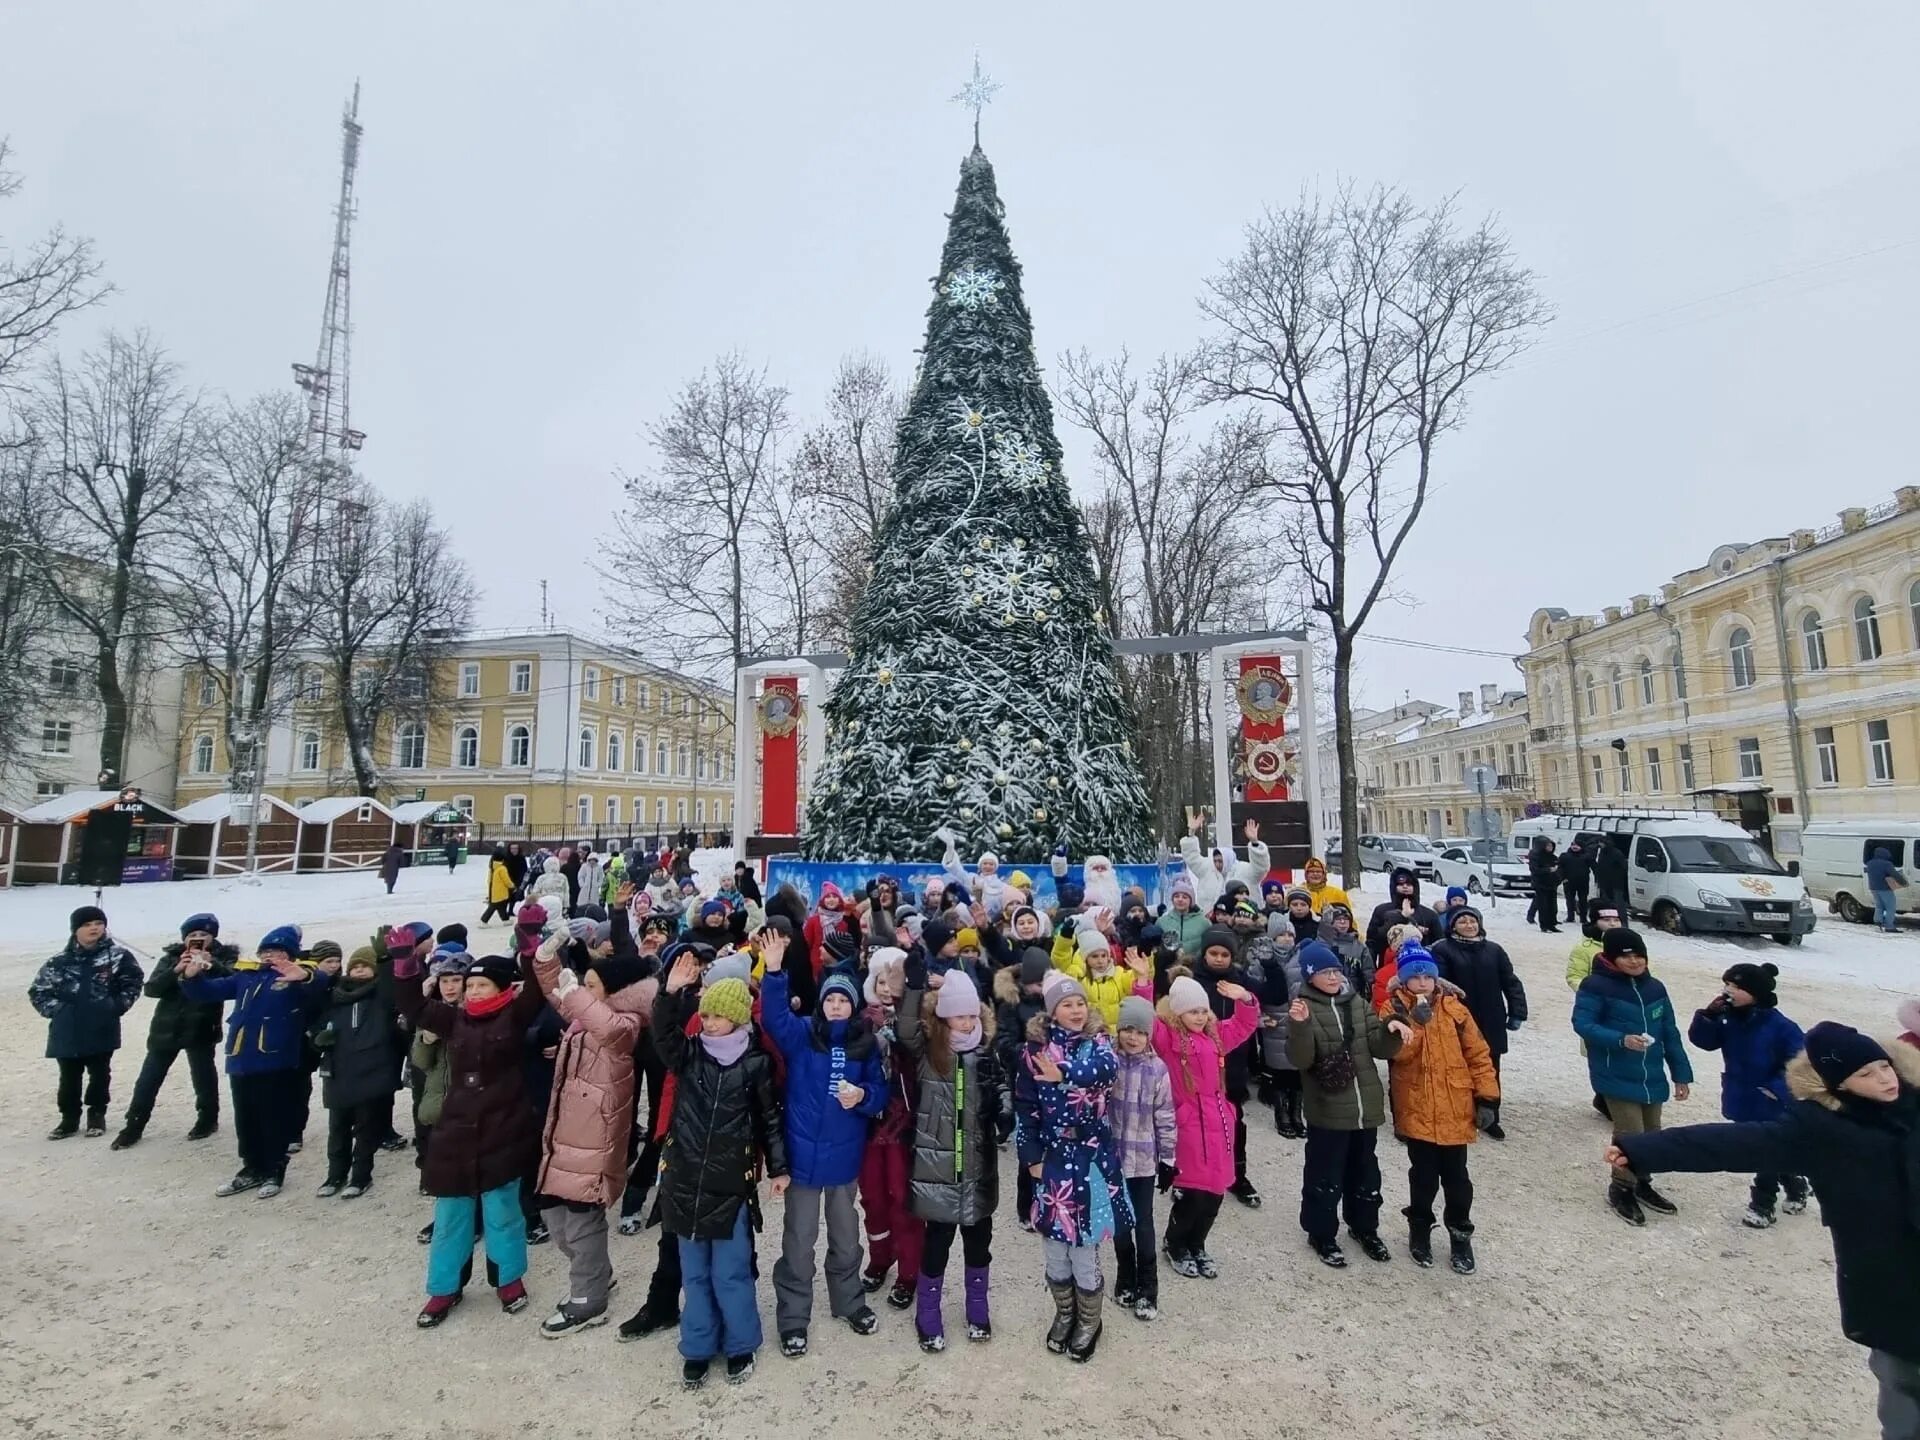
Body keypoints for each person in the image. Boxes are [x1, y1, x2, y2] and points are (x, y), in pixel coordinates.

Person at [1610, 1024, 1920, 1438]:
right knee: (1903, 1388)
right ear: (1836, 1085)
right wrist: (1641, 1150)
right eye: (1866, 1074)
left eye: (1885, 1067)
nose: (1884, 1079)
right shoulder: (1819, 1132)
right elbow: (1729, 1144)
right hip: (1889, 1280)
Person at [392, 947, 547, 1327]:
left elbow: (536, 992)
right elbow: (414, 1006)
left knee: (503, 1213)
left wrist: (529, 948)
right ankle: (444, 1288)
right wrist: (404, 966)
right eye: (470, 985)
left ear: (501, 988)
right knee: (451, 1215)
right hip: (456, 1131)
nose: (474, 991)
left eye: (482, 985)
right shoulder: (455, 1020)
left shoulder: (513, 1016)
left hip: (503, 1128)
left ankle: (508, 1280)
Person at [650, 956, 786, 1388]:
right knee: (695, 1273)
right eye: (705, 1014)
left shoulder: (756, 1064)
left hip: (730, 1186)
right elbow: (664, 1034)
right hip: (686, 1181)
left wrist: (779, 1168)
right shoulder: (689, 1056)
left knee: (730, 1271)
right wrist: (670, 993)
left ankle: (740, 1343)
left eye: (719, 1016)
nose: (709, 1023)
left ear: (739, 1017)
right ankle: (697, 1347)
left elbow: (770, 1121)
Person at [760, 933, 886, 1358]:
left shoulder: (863, 1045)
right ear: (822, 1003)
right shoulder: (802, 1037)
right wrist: (774, 971)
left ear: (853, 1007)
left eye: (843, 1001)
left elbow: (879, 1093)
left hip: (844, 1160)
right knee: (798, 1241)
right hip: (802, 1162)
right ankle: (794, 1318)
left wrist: (863, 1098)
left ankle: (849, 1301)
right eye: (830, 1000)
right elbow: (774, 1018)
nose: (836, 1006)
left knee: (847, 1238)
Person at [529, 930, 654, 1337]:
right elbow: (557, 994)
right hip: (565, 1133)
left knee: (582, 1223)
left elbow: (611, 1028)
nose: (582, 990)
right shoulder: (585, 1018)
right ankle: (597, 1272)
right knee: (553, 1215)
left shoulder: (626, 1025)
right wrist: (547, 960)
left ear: (613, 991)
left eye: (591, 986)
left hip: (596, 1139)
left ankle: (589, 1300)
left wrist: (572, 991)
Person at [1014, 969, 1127, 1361]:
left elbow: (1107, 1070)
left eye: (1079, 1002)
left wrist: (1063, 1073)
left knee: (1085, 1247)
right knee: (1054, 1247)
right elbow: (1025, 1108)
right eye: (1067, 1004)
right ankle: (1065, 1313)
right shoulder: (1033, 1051)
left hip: (1093, 1157)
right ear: (1052, 1012)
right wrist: (1030, 1158)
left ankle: (1090, 1321)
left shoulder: (1099, 1043)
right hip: (1053, 1160)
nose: (1076, 1009)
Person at [1129, 951, 1259, 1282]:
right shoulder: (1170, 1038)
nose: (1200, 1017)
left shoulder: (1216, 1035)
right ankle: (1176, 1244)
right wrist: (1144, 982)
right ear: (1178, 1012)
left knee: (1215, 1192)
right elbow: (1147, 1022)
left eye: (1203, 1010)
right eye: (1192, 1011)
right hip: (1188, 1124)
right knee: (1193, 1193)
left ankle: (1198, 1244)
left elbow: (1245, 1024)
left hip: (1219, 1121)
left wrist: (1244, 998)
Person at [897, 961, 1002, 1354]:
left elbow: (1001, 1086)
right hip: (936, 1168)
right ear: (943, 1016)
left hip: (977, 1167)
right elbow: (905, 1028)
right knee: (936, 1244)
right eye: (959, 1014)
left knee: (979, 1242)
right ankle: (928, 1312)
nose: (967, 1021)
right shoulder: (927, 1050)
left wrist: (1004, 1111)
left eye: (972, 1014)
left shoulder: (985, 1050)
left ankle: (977, 1306)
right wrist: (912, 988)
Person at [181, 925, 329, 1198]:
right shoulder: (246, 977)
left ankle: (274, 1168)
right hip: (241, 1058)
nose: (270, 956)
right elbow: (207, 992)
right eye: (266, 951)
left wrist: (305, 976)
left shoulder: (297, 977)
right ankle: (251, 1167)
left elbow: (320, 983)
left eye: (278, 951)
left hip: (276, 1058)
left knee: (272, 1117)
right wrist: (192, 977)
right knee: (245, 1118)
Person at [1378, 944, 1499, 1273]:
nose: (1421, 982)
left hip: (1455, 1107)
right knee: (1423, 1177)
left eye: (1426, 976)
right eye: (1413, 976)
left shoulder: (1456, 1009)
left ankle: (1460, 1233)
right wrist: (1414, 1025)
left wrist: (1487, 1097)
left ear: (1435, 978)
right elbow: (1396, 1056)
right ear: (1403, 979)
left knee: (1458, 1179)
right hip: (1417, 1106)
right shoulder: (1392, 1008)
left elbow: (1478, 1055)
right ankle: (1419, 1229)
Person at [1288, 941, 1407, 1267]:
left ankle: (1364, 1227)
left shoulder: (1357, 1002)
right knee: (1325, 1175)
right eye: (1325, 972)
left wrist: (1392, 1027)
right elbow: (1300, 1058)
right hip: (1327, 1109)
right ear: (1310, 975)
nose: (1333, 977)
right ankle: (1321, 1233)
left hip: (1364, 1108)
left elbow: (1379, 1047)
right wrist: (1298, 1027)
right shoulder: (1303, 1007)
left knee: (1366, 1174)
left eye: (1336, 971)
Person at [1572, 927, 1693, 1226]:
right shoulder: (1596, 985)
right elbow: (1583, 1024)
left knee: (1652, 1133)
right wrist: (1620, 1039)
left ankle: (1642, 1182)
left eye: (1640, 955)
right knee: (1630, 1133)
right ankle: (1621, 1186)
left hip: (1651, 1074)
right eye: (1627, 956)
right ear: (1612, 958)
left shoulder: (1655, 988)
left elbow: (1670, 1033)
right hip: (1615, 1072)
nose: (1636, 962)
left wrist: (1681, 1074)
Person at [1686, 962, 1810, 1228]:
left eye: (1736, 987)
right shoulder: (1729, 1017)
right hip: (1741, 1094)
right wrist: (1707, 1016)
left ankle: (1763, 1204)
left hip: (1771, 1102)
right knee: (1769, 1149)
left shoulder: (1781, 1026)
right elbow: (1704, 1042)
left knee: (1763, 1150)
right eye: (1727, 984)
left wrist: (1776, 1090)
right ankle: (1795, 1181)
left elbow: (1800, 1063)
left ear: (1756, 993)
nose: (1728, 991)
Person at [113, 912, 230, 1149]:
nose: (198, 939)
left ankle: (207, 1119)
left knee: (203, 1076)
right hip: (166, 1028)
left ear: (213, 937)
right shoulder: (171, 958)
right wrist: (177, 969)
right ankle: (134, 1124)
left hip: (201, 1027)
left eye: (204, 934)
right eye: (193, 935)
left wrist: (211, 964)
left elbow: (232, 983)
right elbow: (152, 989)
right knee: (149, 1078)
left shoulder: (224, 957)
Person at [30, 906, 145, 1141]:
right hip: (67, 1028)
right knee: (69, 1076)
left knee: (100, 1073)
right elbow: (38, 991)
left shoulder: (118, 956)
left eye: (98, 923)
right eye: (87, 924)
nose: (94, 928)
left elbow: (133, 982)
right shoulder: (59, 961)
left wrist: (116, 1006)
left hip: (101, 1025)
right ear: (75, 930)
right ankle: (69, 1119)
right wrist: (58, 1011)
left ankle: (96, 1115)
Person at [857, 948, 922, 1309]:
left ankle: (909, 1270)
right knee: (873, 1198)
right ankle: (881, 1256)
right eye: (880, 981)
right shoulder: (860, 1019)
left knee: (903, 1198)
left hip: (903, 1124)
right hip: (868, 1125)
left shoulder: (915, 1020)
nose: (885, 989)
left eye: (892, 981)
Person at [1430, 907, 1526, 1139]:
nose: (1469, 925)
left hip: (1491, 1018)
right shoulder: (1443, 949)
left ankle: (1491, 1114)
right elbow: (1439, 984)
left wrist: (1517, 1011)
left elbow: (1511, 982)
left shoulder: (1494, 950)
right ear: (1452, 926)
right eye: (1462, 921)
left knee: (1490, 1067)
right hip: (1458, 1020)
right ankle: (1460, 1113)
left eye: (1472, 921)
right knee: (1457, 1067)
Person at [313, 946, 402, 1198]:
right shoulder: (335, 996)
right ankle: (334, 1175)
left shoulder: (381, 997)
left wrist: (385, 960)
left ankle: (360, 1177)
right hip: (339, 1071)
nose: (359, 969)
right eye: (355, 966)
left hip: (371, 1070)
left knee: (366, 1128)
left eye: (365, 965)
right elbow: (318, 1025)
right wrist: (319, 1038)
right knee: (338, 1128)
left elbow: (392, 988)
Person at [1108, 993, 1175, 1322]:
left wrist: (1168, 1159)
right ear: (1119, 1030)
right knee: (1119, 1222)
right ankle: (1126, 1275)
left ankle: (1149, 1285)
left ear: (1149, 1035)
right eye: (1127, 1029)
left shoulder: (1157, 1069)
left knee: (1143, 1222)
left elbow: (1165, 1116)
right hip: (1113, 1160)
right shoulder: (1108, 1062)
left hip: (1144, 1161)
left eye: (1140, 1031)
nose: (1133, 1037)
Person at [1567, 903, 1626, 1116]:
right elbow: (1574, 976)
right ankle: (1604, 1097)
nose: (1612, 923)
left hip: (1626, 1009)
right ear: (1595, 922)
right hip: (1599, 1011)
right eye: (1606, 920)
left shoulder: (1629, 944)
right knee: (1601, 1054)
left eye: (1616, 920)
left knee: (1624, 1053)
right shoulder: (1584, 949)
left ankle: (1616, 1098)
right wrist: (1593, 994)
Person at [1250, 925, 1305, 1139]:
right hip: (1274, 1022)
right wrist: (1258, 1019)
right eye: (1281, 934)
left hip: (1298, 1020)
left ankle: (1297, 1114)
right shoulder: (1260, 959)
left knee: (1298, 1070)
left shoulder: (1302, 957)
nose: (1287, 938)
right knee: (1279, 1072)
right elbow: (1252, 992)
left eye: (1290, 934)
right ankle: (1282, 1115)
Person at [1365, 869, 1440, 958]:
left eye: (1409, 884)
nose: (1405, 887)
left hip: (1421, 965)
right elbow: (1373, 942)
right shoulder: (1381, 911)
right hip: (1389, 965)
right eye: (1400, 884)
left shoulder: (1429, 914)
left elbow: (1439, 944)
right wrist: (1401, 916)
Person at [1867, 845, 1909, 934]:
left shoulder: (1870, 863)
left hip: (1873, 888)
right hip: (1885, 888)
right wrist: (1903, 882)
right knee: (1890, 907)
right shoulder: (1887, 864)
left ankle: (1878, 922)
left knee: (1879, 905)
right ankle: (1889, 926)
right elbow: (1895, 875)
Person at [1527, 837, 1561, 933]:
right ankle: (1544, 925)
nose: (1550, 847)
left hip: (1552, 884)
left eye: (1551, 845)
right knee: (1543, 906)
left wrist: (1558, 878)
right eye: (1548, 845)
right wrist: (1548, 870)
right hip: (1541, 884)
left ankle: (1552, 924)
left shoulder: (1553, 857)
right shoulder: (1536, 856)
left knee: (1553, 906)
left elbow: (1559, 869)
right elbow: (1535, 870)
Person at [1592, 836, 1628, 915]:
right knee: (1606, 904)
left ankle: (1623, 922)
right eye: (1599, 842)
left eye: (1601, 842)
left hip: (1616, 883)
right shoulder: (1601, 852)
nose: (1599, 844)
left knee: (1619, 904)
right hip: (1604, 883)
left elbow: (1624, 867)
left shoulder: (1616, 853)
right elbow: (1599, 867)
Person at [1559, 838, 1592, 925]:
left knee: (1583, 900)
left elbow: (1594, 867)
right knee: (1570, 900)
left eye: (1577, 845)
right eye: (1573, 845)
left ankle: (1583, 918)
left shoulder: (1587, 856)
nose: (1575, 847)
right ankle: (1570, 916)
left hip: (1583, 882)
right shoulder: (1565, 856)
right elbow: (1560, 868)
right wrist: (1562, 878)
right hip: (1569, 882)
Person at [481, 847, 515, 926]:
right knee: (494, 907)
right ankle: (484, 920)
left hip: (494, 891)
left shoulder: (493, 867)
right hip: (501, 892)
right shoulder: (502, 868)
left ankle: (505, 919)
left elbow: (489, 879)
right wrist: (512, 886)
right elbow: (506, 880)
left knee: (501, 907)